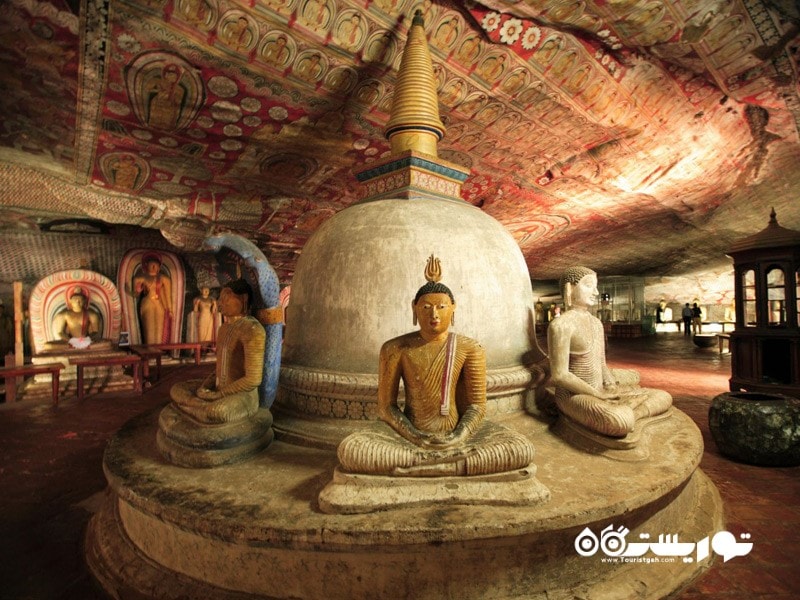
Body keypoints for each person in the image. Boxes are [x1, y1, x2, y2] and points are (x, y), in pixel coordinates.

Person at [335, 255, 535, 477]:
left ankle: (418, 466)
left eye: (441, 307)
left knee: (519, 449)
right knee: (352, 450)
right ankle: (450, 465)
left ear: (453, 308)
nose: (434, 314)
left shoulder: (470, 348)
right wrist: (414, 436)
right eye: (426, 307)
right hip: (409, 435)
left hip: (457, 434)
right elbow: (386, 407)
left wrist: (458, 435)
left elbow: (477, 406)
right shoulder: (395, 348)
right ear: (415, 308)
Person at [548, 266, 672, 438]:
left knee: (663, 396)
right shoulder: (561, 325)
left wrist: (611, 387)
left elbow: (601, 364)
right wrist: (596, 395)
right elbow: (560, 376)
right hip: (574, 395)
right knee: (618, 420)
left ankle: (632, 414)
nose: (596, 292)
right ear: (570, 288)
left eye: (596, 286)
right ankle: (627, 414)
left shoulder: (597, 323)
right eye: (589, 285)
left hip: (601, 391)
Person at [170, 279, 264, 423]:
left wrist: (218, 395)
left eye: (226, 297)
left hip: (242, 395)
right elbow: (219, 368)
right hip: (219, 390)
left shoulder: (253, 329)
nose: (220, 302)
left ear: (243, 299)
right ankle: (201, 408)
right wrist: (205, 387)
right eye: (220, 297)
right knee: (177, 389)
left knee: (217, 412)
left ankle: (197, 407)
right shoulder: (223, 329)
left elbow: (253, 379)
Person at [133, 252, 172, 345]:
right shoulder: (140, 278)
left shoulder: (164, 278)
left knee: (159, 329)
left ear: (159, 267)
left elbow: (168, 295)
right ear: (146, 265)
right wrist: (138, 289)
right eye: (152, 264)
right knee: (149, 328)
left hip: (159, 304)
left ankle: (158, 350)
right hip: (147, 303)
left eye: (156, 264)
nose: (154, 266)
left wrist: (170, 309)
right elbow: (135, 295)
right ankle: (149, 350)